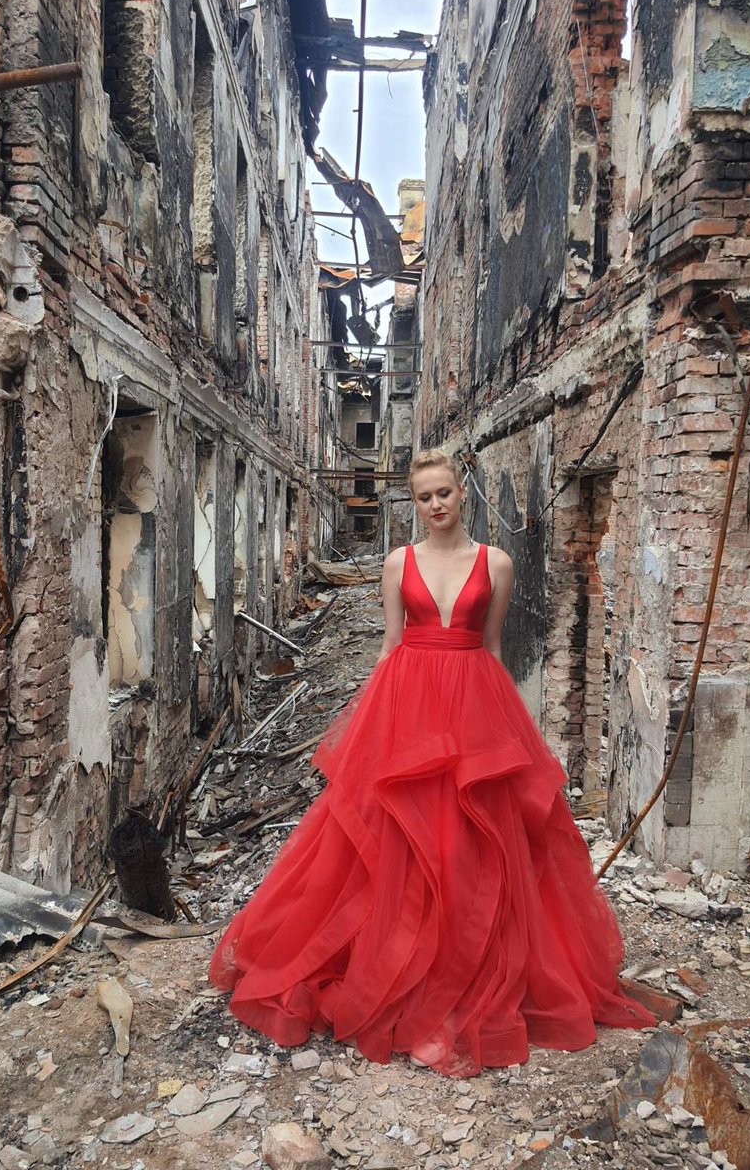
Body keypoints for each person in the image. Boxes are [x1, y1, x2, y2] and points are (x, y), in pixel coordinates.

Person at [209, 448, 654, 1077]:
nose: (436, 504)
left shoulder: (496, 563)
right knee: (399, 836)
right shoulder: (399, 562)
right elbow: (390, 646)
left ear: (461, 493)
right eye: (424, 496)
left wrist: (504, 733)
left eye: (444, 492)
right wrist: (371, 731)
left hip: (474, 699)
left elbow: (492, 647)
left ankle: (463, 970)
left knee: (476, 838)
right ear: (414, 503)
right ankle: (397, 965)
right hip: (409, 701)